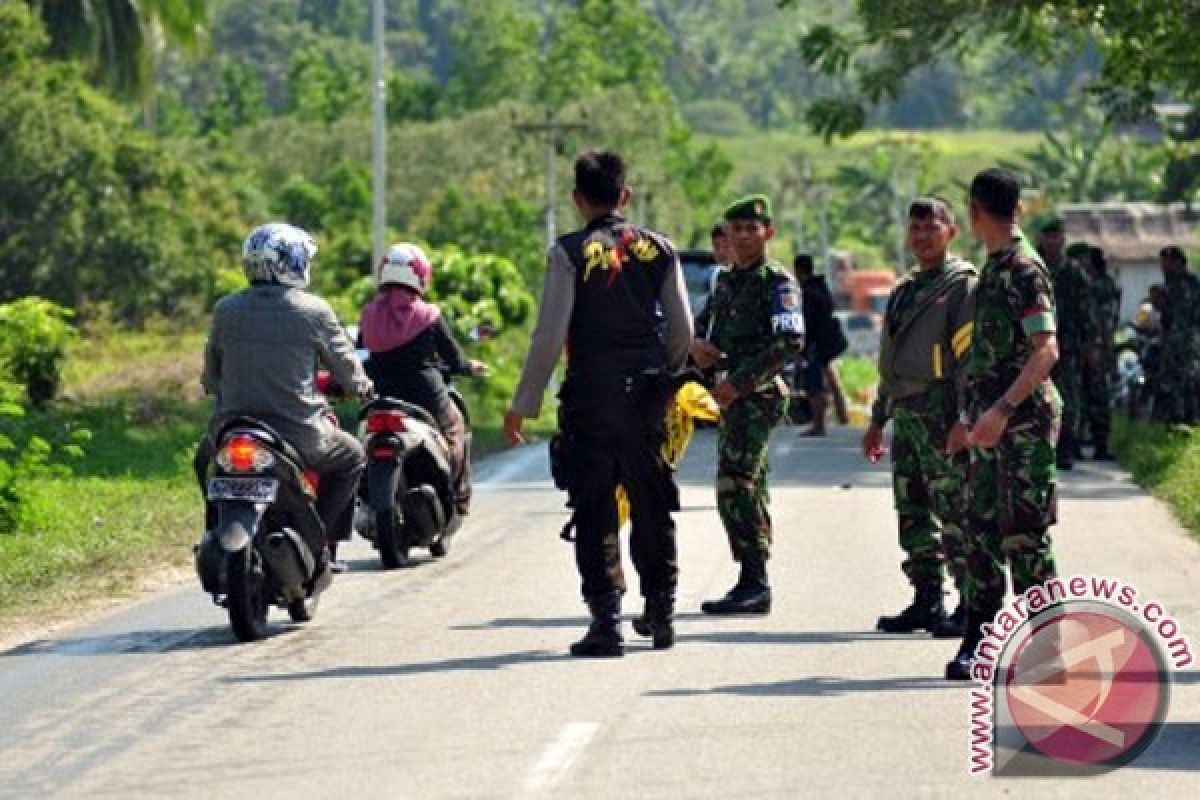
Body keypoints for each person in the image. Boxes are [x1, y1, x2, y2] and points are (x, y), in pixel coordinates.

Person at [504, 150, 692, 657]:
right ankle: (661, 611)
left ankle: (606, 621)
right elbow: (682, 331)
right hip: (647, 396)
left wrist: (524, 403)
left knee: (595, 506)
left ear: (577, 199)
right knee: (651, 501)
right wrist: (666, 379)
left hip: (590, 394)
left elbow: (549, 335)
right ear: (625, 196)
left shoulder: (568, 252)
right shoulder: (661, 249)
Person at [197, 222, 372, 572]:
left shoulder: (226, 309)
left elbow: (211, 379)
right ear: (291, 263)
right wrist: (360, 387)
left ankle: (215, 529)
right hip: (300, 435)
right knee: (352, 457)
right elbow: (349, 374)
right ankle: (320, 541)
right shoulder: (313, 311)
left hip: (230, 430)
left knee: (204, 462)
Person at [945, 169, 1061, 681]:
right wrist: (969, 419)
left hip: (1023, 423)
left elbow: (1046, 352)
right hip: (989, 425)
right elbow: (986, 357)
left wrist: (1003, 411)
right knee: (979, 529)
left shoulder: (1023, 270)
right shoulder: (993, 269)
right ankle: (982, 637)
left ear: (974, 212)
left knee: (1025, 535)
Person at [863, 198, 976, 638]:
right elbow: (890, 362)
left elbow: (969, 359)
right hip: (907, 411)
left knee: (953, 507)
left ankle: (971, 600)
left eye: (931, 227)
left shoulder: (962, 286)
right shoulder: (906, 289)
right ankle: (927, 597)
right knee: (911, 510)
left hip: (941, 407)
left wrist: (964, 416)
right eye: (915, 229)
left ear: (952, 231)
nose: (921, 236)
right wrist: (877, 420)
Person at [691, 194, 804, 615]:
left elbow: (789, 343)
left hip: (758, 394)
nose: (742, 237)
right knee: (746, 484)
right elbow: (709, 328)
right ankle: (752, 578)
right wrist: (699, 349)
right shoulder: (725, 281)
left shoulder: (776, 281)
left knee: (734, 482)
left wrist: (738, 383)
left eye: (750, 229)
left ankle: (754, 579)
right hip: (729, 395)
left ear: (767, 233)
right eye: (735, 229)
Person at [359, 242, 486, 514]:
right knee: (456, 428)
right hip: (427, 398)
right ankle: (458, 493)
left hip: (380, 397)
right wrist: (468, 367)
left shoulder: (368, 315)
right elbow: (455, 359)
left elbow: (360, 356)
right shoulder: (428, 316)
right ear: (420, 276)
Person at [1036, 220, 1087, 470]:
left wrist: (1092, 343)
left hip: (1069, 343)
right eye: (1048, 236)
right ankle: (1043, 446)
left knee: (1068, 396)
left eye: (1056, 236)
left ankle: (1067, 447)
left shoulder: (1074, 271)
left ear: (1063, 239)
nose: (1052, 241)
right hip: (1038, 344)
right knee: (1038, 395)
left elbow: (1086, 309)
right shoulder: (1034, 267)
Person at [793, 252, 848, 435]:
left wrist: (801, 349)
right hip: (826, 343)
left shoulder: (808, 293)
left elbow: (807, 323)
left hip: (816, 345)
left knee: (814, 385)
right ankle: (842, 417)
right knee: (831, 381)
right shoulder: (820, 287)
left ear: (798, 271)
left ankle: (819, 425)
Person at [1152, 246, 1200, 424]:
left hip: (1188, 343)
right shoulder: (1168, 286)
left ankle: (1190, 422)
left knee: (1189, 383)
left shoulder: (1192, 284)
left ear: (1177, 262)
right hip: (1171, 342)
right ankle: (1174, 423)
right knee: (1171, 384)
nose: (1163, 266)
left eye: (1166, 262)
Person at [1082, 245, 1119, 459]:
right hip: (1087, 347)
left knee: (1100, 396)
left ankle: (1101, 445)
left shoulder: (1102, 285)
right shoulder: (1086, 283)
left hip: (1100, 348)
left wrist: (1101, 348)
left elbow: (1106, 320)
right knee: (1085, 395)